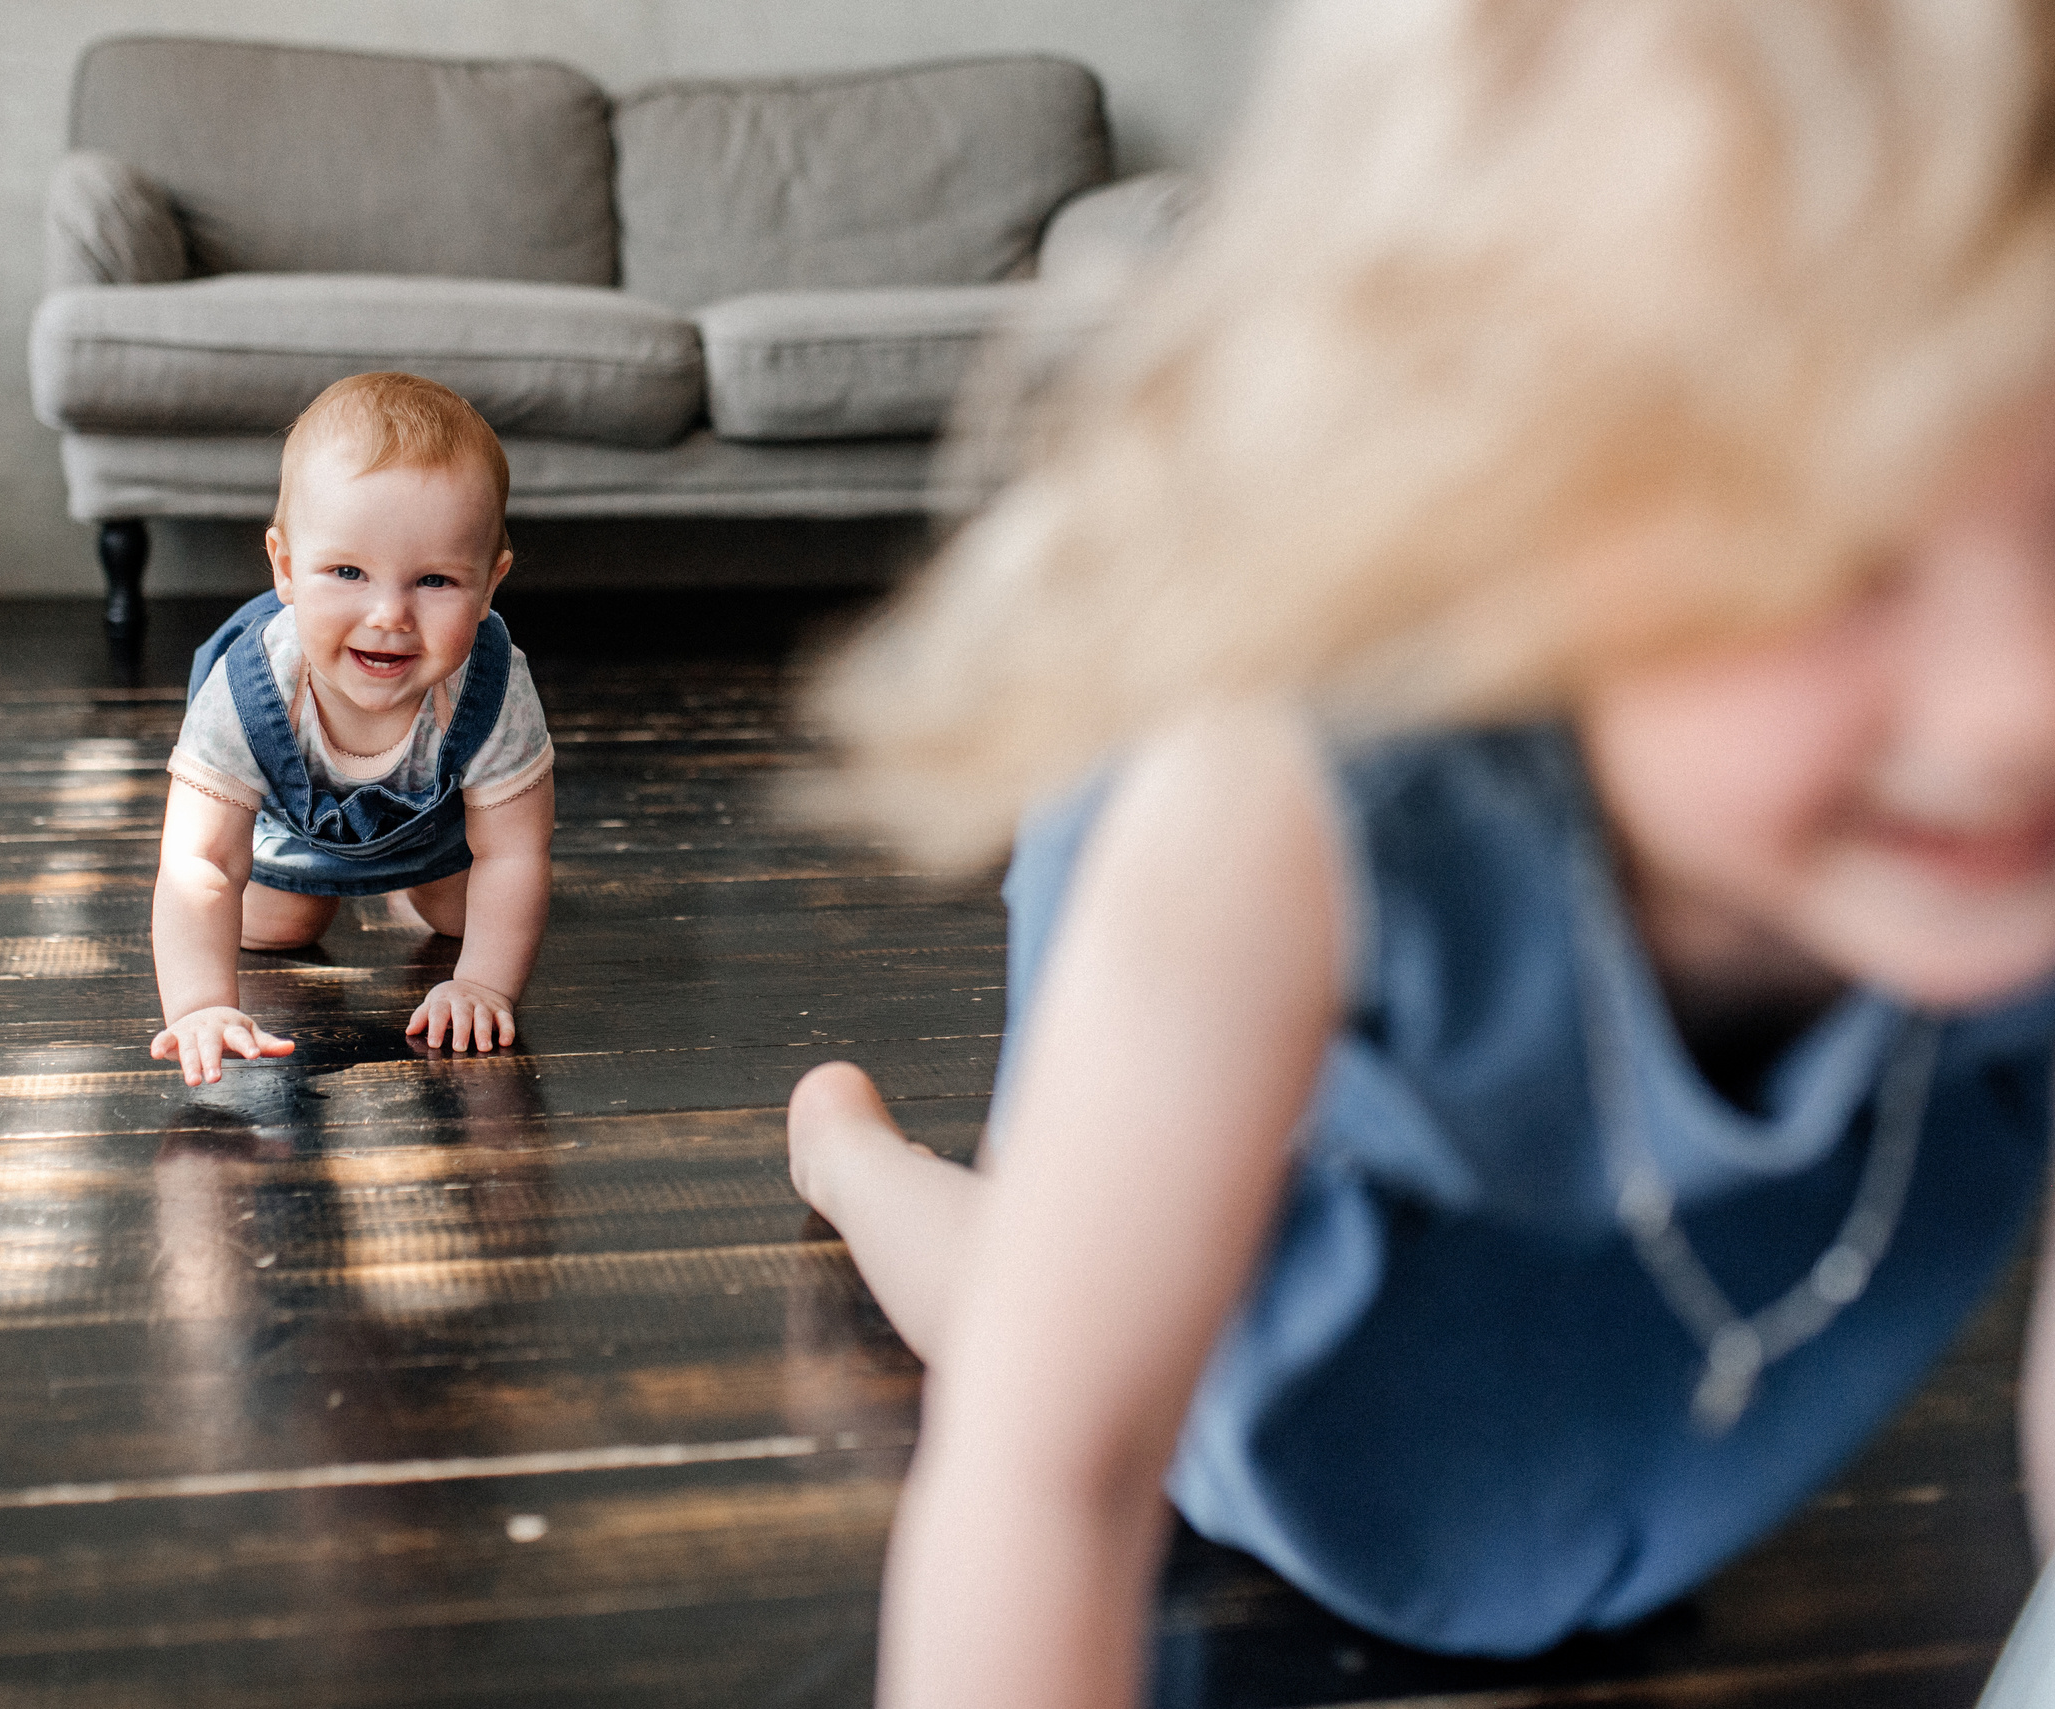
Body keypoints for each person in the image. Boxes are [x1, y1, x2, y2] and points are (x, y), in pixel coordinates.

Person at [783, 0, 2055, 1701]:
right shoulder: (1283, 807)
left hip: (1663, 1424)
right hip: (1292, 1355)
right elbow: (1049, 1474)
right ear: (1505, 485)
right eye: (1837, 549)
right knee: (1053, 1311)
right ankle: (847, 1146)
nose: (2017, 706)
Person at [150, 372, 554, 1086]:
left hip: (438, 830)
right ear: (285, 567)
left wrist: (484, 986)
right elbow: (199, 862)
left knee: (468, 918)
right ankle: (324, 888)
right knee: (278, 928)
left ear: (490, 584)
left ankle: (409, 882)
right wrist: (201, 1005)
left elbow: (517, 851)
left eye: (434, 581)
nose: (388, 615)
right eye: (347, 571)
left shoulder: (492, 686)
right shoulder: (247, 689)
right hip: (286, 825)